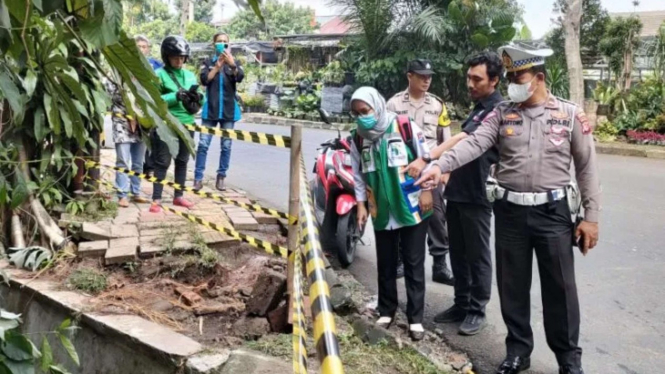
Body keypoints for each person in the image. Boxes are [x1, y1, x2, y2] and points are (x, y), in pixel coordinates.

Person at [417, 45, 601, 374]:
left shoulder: (569, 114)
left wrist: (591, 218)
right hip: (511, 213)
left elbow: (587, 168)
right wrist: (438, 165)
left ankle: (568, 360)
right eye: (511, 76)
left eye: (519, 76)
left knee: (560, 289)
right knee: (512, 287)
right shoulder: (502, 113)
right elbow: (473, 143)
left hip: (553, 213)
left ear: (539, 78)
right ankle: (518, 351)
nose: (513, 82)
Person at [417, 52, 503, 336]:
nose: (470, 83)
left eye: (476, 79)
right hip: (458, 191)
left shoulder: (496, 108)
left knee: (477, 255)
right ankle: (461, 303)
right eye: (468, 77)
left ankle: (477, 310)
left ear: (494, 80)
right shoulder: (479, 107)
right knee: (459, 252)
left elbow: (462, 139)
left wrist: (429, 158)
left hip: (478, 194)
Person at [350, 86, 434, 342]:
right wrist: (361, 204)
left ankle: (416, 319)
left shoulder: (404, 126)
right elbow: (357, 175)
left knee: (413, 262)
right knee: (385, 262)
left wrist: (427, 191)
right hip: (381, 210)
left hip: (411, 205)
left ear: (377, 105)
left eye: (366, 111)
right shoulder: (358, 138)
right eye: (357, 113)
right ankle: (387, 311)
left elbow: (427, 158)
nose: (362, 117)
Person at [386, 59, 454, 285]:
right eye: (422, 75)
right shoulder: (394, 104)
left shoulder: (437, 105)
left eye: (429, 76)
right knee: (402, 213)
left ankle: (440, 265)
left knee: (435, 215)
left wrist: (446, 170)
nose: (427, 80)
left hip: (431, 170)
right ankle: (402, 261)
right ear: (409, 76)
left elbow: (446, 138)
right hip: (403, 170)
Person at [149, 35, 202, 213]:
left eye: (182, 57)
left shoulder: (189, 75)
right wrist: (174, 97)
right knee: (162, 161)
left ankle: (178, 196)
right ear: (167, 57)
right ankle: (156, 199)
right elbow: (154, 100)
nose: (179, 61)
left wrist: (198, 97)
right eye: (175, 57)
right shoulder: (159, 75)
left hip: (187, 124)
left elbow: (201, 96)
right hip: (166, 124)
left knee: (182, 161)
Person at [194, 32, 244, 191]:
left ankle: (221, 177)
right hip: (211, 110)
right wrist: (217, 66)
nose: (222, 44)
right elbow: (204, 80)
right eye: (219, 42)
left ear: (229, 44)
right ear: (214, 44)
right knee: (203, 144)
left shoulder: (235, 62)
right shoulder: (207, 62)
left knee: (226, 145)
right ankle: (198, 178)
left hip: (228, 110)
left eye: (225, 42)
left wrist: (232, 65)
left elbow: (240, 77)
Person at [105, 75, 149, 207]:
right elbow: (109, 98)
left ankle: (135, 192)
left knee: (138, 161)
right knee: (123, 160)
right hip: (122, 124)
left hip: (141, 123)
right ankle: (122, 194)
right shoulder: (114, 77)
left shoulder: (142, 74)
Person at [135, 35, 163, 178]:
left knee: (151, 137)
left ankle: (150, 167)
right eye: (138, 46)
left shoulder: (156, 65)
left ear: (148, 49)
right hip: (134, 105)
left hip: (150, 106)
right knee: (137, 137)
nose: (141, 49)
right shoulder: (129, 62)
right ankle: (137, 165)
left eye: (144, 47)